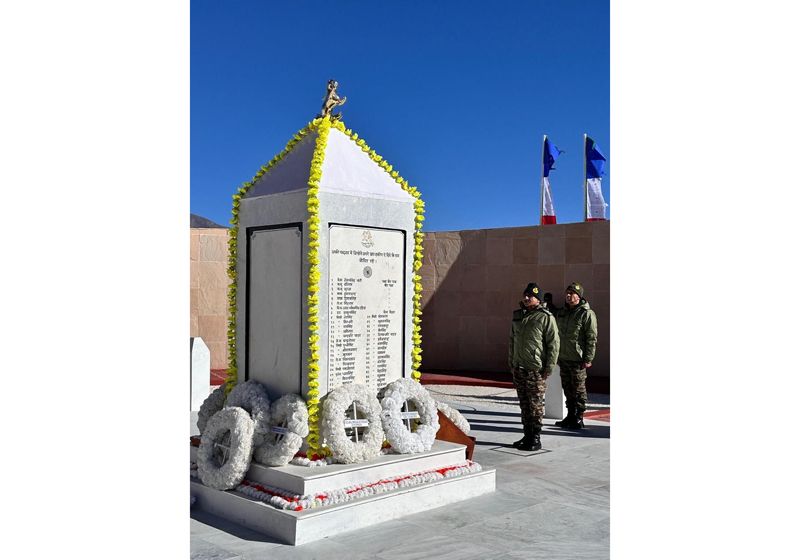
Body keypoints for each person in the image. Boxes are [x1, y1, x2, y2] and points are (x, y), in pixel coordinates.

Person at [508, 282, 560, 451]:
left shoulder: (546, 317)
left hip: (535, 369)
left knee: (535, 406)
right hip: (520, 368)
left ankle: (536, 438)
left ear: (537, 299)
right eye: (525, 295)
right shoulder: (518, 315)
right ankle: (527, 435)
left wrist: (549, 368)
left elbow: (553, 344)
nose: (526, 298)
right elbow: (512, 341)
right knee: (524, 405)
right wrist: (512, 363)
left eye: (529, 296)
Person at [554, 282, 598, 430]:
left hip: (578, 359)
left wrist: (588, 358)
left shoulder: (586, 313)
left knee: (578, 389)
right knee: (567, 388)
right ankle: (570, 415)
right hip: (564, 357)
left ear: (578, 296)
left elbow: (591, 337)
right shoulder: (562, 312)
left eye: (572, 293)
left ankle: (579, 417)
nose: (568, 296)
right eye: (567, 293)